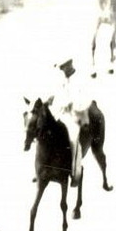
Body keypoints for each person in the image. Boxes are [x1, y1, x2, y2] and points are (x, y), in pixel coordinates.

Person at [48, 58, 92, 187]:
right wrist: (52, 101)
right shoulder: (63, 80)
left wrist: (72, 103)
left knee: (73, 139)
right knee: (45, 128)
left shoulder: (81, 80)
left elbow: (85, 100)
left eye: (63, 67)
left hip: (76, 117)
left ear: (70, 64)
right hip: (61, 114)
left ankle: (75, 173)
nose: (62, 70)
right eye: (61, 68)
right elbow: (58, 96)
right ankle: (44, 167)